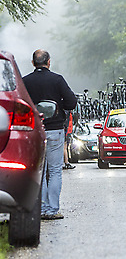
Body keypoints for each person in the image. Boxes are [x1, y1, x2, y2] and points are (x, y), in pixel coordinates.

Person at [23, 49, 77, 220]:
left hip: (34, 131)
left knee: (38, 170)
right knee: (54, 171)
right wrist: (59, 106)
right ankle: (52, 209)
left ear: (33, 63)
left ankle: (41, 208)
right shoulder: (57, 80)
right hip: (55, 130)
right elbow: (72, 102)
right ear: (49, 62)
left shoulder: (25, 82)